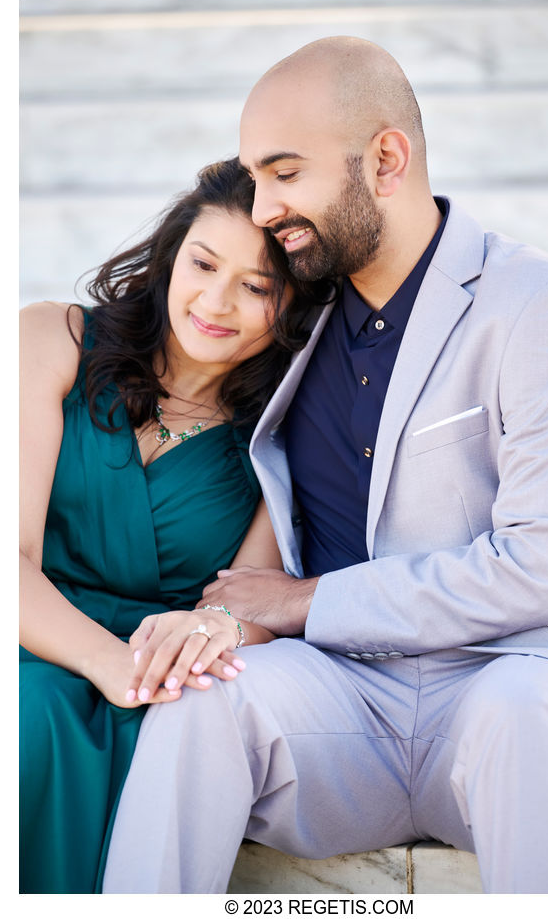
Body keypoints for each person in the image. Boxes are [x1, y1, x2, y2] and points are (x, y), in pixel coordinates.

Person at [103, 37, 548, 894]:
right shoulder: (293, 311)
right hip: (342, 699)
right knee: (202, 698)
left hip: (508, 680)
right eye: (253, 177)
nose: (262, 208)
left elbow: (545, 571)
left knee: (528, 708)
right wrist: (226, 622)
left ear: (385, 158)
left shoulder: (543, 305)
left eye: (285, 173)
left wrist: (306, 603)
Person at [19, 157, 330, 893]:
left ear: (290, 308)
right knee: (29, 714)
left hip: (161, 672)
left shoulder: (281, 432)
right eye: (203, 262)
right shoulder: (50, 338)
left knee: (177, 742)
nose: (215, 301)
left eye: (256, 287)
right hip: (35, 635)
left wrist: (186, 646)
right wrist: (108, 667)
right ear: (171, 254)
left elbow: (243, 597)